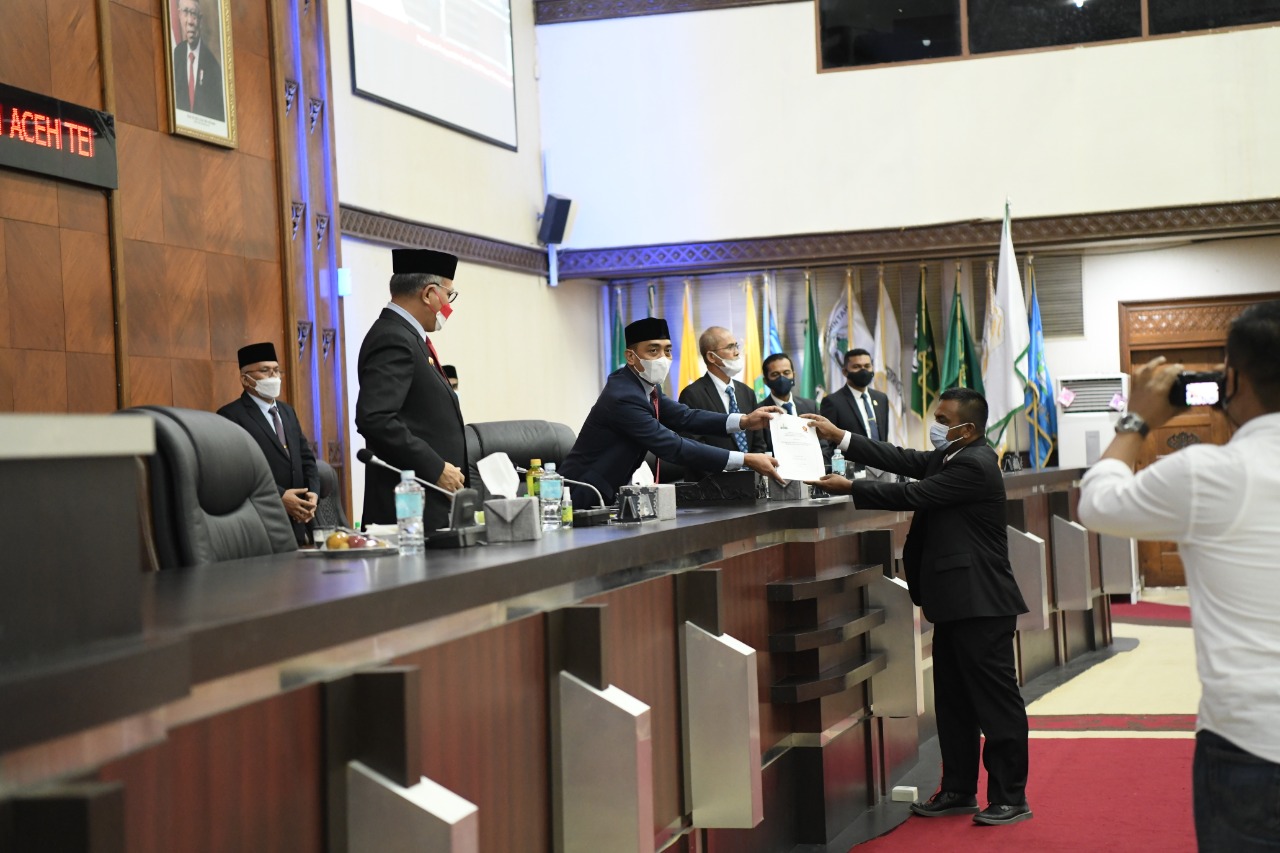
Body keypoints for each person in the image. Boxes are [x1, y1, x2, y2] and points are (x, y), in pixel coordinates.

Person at [1077, 301, 1280, 851]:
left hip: (1252, 740)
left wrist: (1136, 420)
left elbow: (1097, 503)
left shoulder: (1210, 472)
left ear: (1231, 380)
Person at [802, 388, 1032, 826]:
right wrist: (840, 436)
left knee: (996, 704)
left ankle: (1010, 797)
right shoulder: (950, 455)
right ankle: (959, 789)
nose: (935, 425)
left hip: (982, 603)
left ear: (967, 427)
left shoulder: (975, 463)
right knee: (953, 702)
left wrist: (851, 487)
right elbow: (901, 458)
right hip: (954, 602)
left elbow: (916, 493)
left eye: (944, 420)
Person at [560, 317, 784, 508]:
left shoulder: (647, 387)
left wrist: (744, 421)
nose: (663, 358)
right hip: (583, 493)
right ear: (630, 356)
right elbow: (673, 446)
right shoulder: (624, 396)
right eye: (653, 350)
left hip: (608, 494)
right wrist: (745, 459)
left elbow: (685, 416)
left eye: (667, 350)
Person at [355, 248, 465, 532]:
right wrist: (435, 468)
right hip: (409, 511)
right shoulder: (393, 338)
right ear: (429, 294)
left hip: (429, 504)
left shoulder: (408, 337)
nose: (449, 307)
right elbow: (375, 418)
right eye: (449, 295)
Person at [217, 342, 319, 545]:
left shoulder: (287, 411)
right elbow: (238, 470)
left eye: (276, 370)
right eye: (265, 370)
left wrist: (313, 494)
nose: (274, 376)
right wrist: (279, 496)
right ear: (245, 379)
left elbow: (306, 458)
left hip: (299, 520)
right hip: (262, 519)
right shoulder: (230, 415)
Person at [677, 326, 767, 474]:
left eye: (736, 346)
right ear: (711, 357)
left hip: (751, 480)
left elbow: (758, 443)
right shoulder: (692, 394)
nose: (737, 352)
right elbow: (694, 447)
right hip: (712, 481)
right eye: (730, 347)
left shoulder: (747, 392)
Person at [172, 0, 225, 121]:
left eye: (194, 14)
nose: (190, 21)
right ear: (179, 15)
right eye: (186, 12)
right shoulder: (176, 55)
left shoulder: (213, 67)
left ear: (200, 21)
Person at [757, 352, 819, 454]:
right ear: (765, 381)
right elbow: (759, 449)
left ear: (793, 375)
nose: (782, 378)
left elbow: (823, 444)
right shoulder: (759, 412)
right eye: (775, 374)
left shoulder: (810, 406)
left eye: (786, 373)